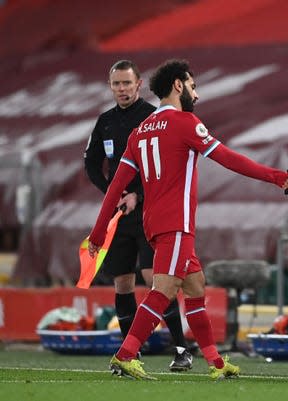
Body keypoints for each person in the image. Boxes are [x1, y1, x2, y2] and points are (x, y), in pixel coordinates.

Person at [87, 59, 288, 380]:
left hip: (152, 223)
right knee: (164, 288)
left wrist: (98, 231)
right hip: (176, 223)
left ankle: (216, 363)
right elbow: (228, 157)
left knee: (195, 286)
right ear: (179, 86)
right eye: (193, 87)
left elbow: (114, 186)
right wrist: (276, 176)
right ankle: (125, 354)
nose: (197, 94)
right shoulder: (185, 123)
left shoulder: (140, 132)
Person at [84, 60, 192, 371]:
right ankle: (131, 352)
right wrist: (113, 192)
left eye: (127, 84)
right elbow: (91, 164)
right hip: (121, 215)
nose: (122, 89)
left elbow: (167, 169)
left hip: (150, 212)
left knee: (155, 280)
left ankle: (182, 349)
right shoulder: (104, 122)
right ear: (110, 86)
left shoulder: (151, 118)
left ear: (139, 84)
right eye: (116, 84)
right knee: (122, 283)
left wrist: (138, 195)